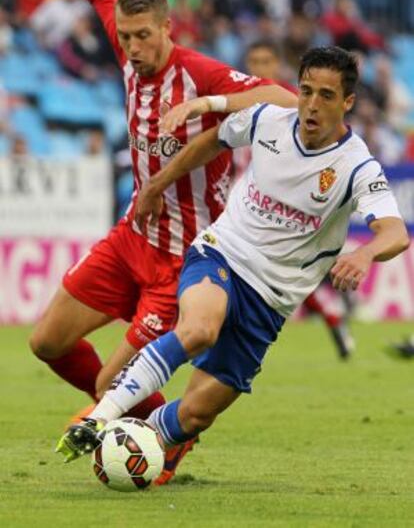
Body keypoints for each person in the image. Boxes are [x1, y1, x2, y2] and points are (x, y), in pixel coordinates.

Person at [4, 0, 297, 483]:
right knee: (47, 341)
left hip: (183, 259)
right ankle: (147, 421)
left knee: (113, 379)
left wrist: (210, 108)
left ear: (167, 29)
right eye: (126, 37)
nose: (132, 48)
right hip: (133, 235)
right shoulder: (125, 48)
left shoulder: (201, 72)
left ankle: (157, 438)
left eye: (144, 37)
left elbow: (287, 99)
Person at [56, 46, 409, 465]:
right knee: (199, 328)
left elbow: (395, 232)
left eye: (326, 96)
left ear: (347, 102)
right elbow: (213, 140)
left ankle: (134, 443)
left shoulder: (357, 166)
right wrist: (157, 184)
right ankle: (100, 418)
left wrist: (366, 254)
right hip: (222, 254)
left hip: (270, 301)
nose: (311, 106)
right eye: (306, 91)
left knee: (195, 414)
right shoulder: (267, 120)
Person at [243, 40, 355, 359]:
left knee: (282, 269)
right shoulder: (249, 97)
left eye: (266, 60)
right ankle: (333, 314)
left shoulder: (295, 102)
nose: (259, 68)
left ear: (278, 64)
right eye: (254, 61)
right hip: (247, 196)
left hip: (288, 199)